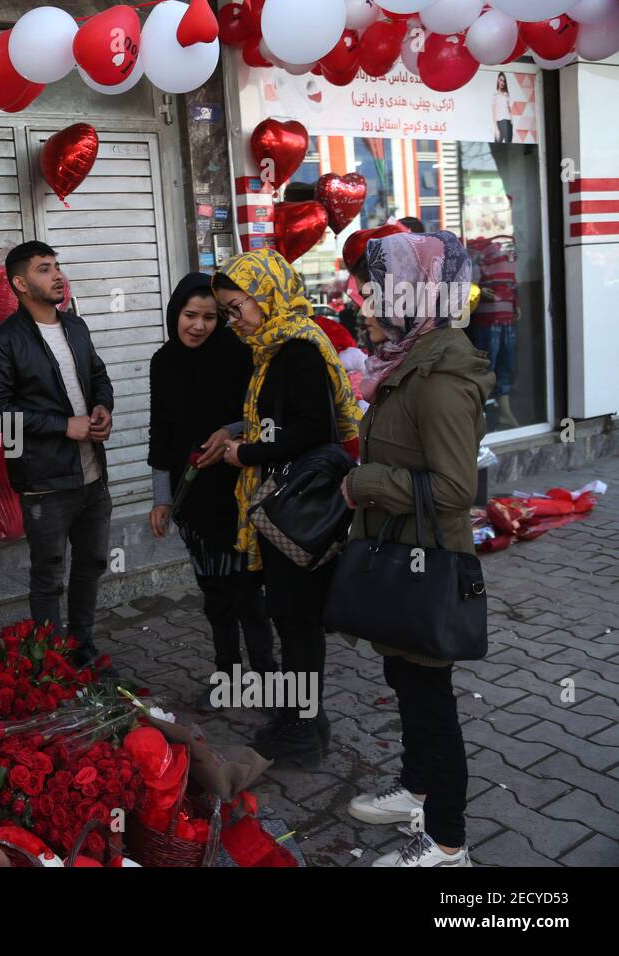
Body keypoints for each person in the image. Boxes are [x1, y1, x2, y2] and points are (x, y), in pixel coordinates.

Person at [340, 231, 495, 867]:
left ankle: (448, 840)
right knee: (404, 679)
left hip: (427, 560)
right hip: (402, 551)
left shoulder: (439, 376)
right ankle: (417, 792)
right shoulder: (407, 359)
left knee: (431, 702)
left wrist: (366, 482)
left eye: (374, 298)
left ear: (415, 297)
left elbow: (457, 488)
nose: (363, 311)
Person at [211, 250, 362, 765]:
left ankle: (302, 732)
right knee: (292, 617)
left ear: (267, 293)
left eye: (237, 308)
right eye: (227, 310)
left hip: (298, 509)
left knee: (297, 620)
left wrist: (245, 453)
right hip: (283, 504)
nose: (233, 320)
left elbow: (312, 432)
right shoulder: (272, 345)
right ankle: (305, 718)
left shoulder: (296, 347)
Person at [0, 241, 114, 668]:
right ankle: (51, 660)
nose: (57, 275)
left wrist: (102, 408)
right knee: (49, 573)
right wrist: (63, 426)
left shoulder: (76, 327)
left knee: (91, 563)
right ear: (19, 283)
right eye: (43, 269)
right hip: (45, 481)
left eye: (57, 266)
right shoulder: (2, 342)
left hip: (93, 475)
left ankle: (82, 645)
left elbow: (98, 374)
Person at [148, 273, 276, 709]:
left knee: (247, 596)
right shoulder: (163, 362)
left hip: (241, 497)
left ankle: (268, 681)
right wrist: (162, 498)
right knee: (215, 597)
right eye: (189, 315)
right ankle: (228, 677)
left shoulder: (240, 353)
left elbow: (263, 413)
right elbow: (160, 434)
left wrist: (230, 432)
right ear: (175, 314)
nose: (198, 326)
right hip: (195, 503)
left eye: (209, 316)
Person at [493, 72, 513, 145]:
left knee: (509, 145)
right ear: (498, 80)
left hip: (508, 122)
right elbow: (493, 112)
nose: (502, 82)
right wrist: (496, 128)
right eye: (501, 80)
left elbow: (509, 108)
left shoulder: (506, 94)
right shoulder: (495, 95)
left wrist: (512, 120)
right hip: (500, 122)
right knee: (498, 146)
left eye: (504, 81)